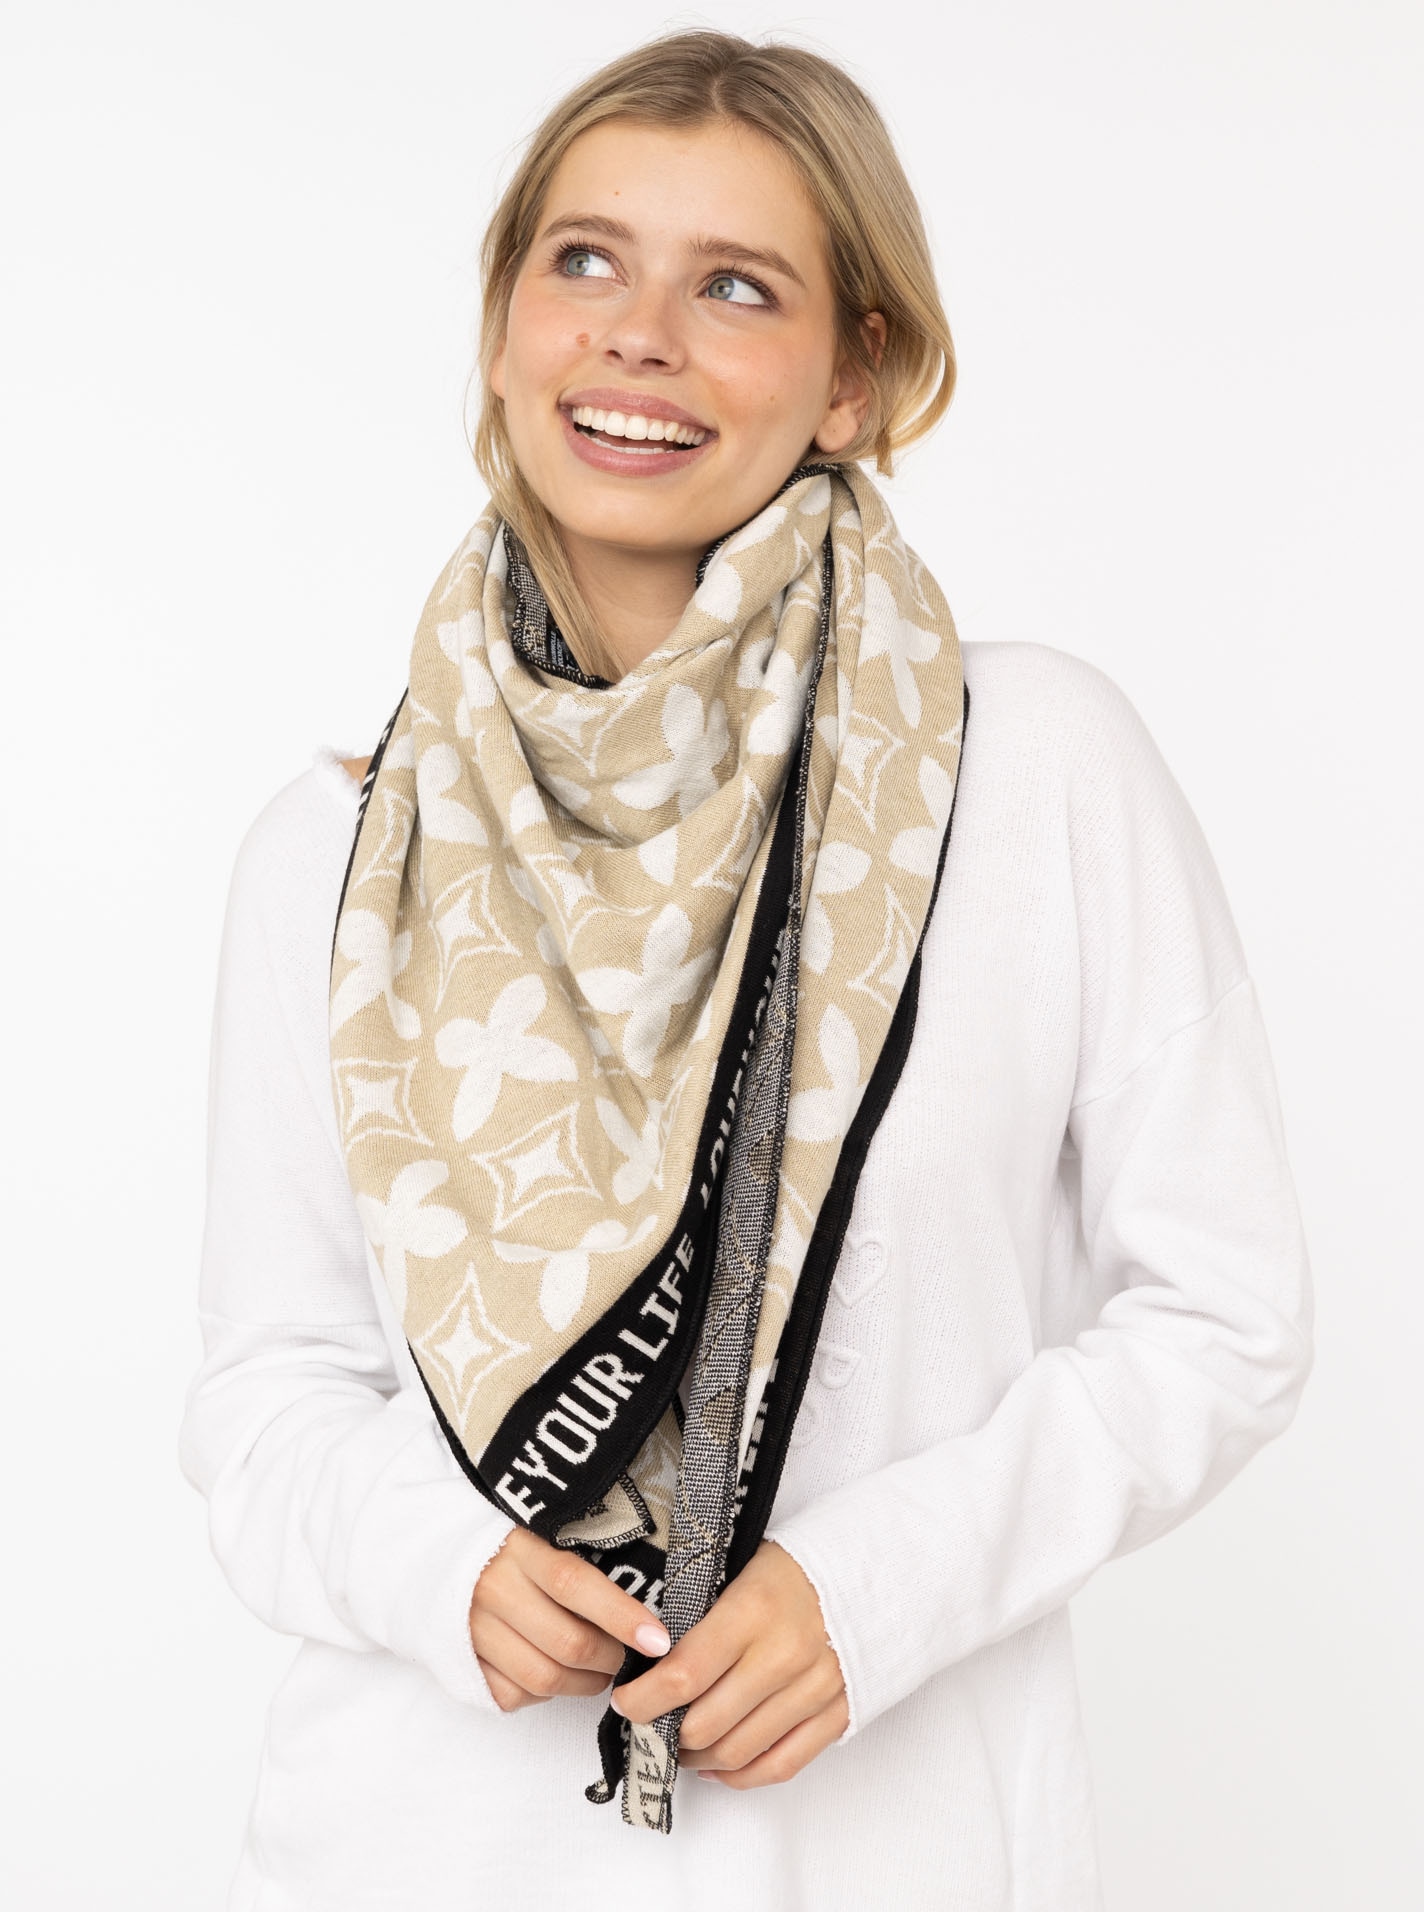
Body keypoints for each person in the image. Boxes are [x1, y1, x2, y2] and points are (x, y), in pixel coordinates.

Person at [180, 29, 1313, 1911]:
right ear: (505, 325)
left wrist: (881, 1588)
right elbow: (264, 1397)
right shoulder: (343, 854)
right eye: (585, 261)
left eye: (735, 287)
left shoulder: (1026, 770)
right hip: (413, 1852)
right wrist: (437, 1565)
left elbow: (1225, 1314)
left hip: (886, 1852)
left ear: (857, 374)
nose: (638, 336)